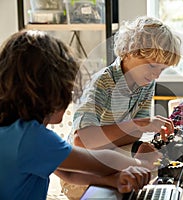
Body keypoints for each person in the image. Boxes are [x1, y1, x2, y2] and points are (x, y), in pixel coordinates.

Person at [0, 30, 161, 200]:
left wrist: (113, 180)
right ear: (51, 92)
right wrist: (142, 163)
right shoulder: (31, 138)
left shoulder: (12, 131)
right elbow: (98, 162)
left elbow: (69, 174)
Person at [70, 16, 181, 150]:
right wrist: (136, 124)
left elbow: (136, 134)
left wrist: (137, 128)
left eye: (162, 69)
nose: (156, 75)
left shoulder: (146, 84)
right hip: (80, 159)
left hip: (109, 153)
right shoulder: (103, 83)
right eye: (152, 66)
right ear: (130, 52)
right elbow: (80, 140)